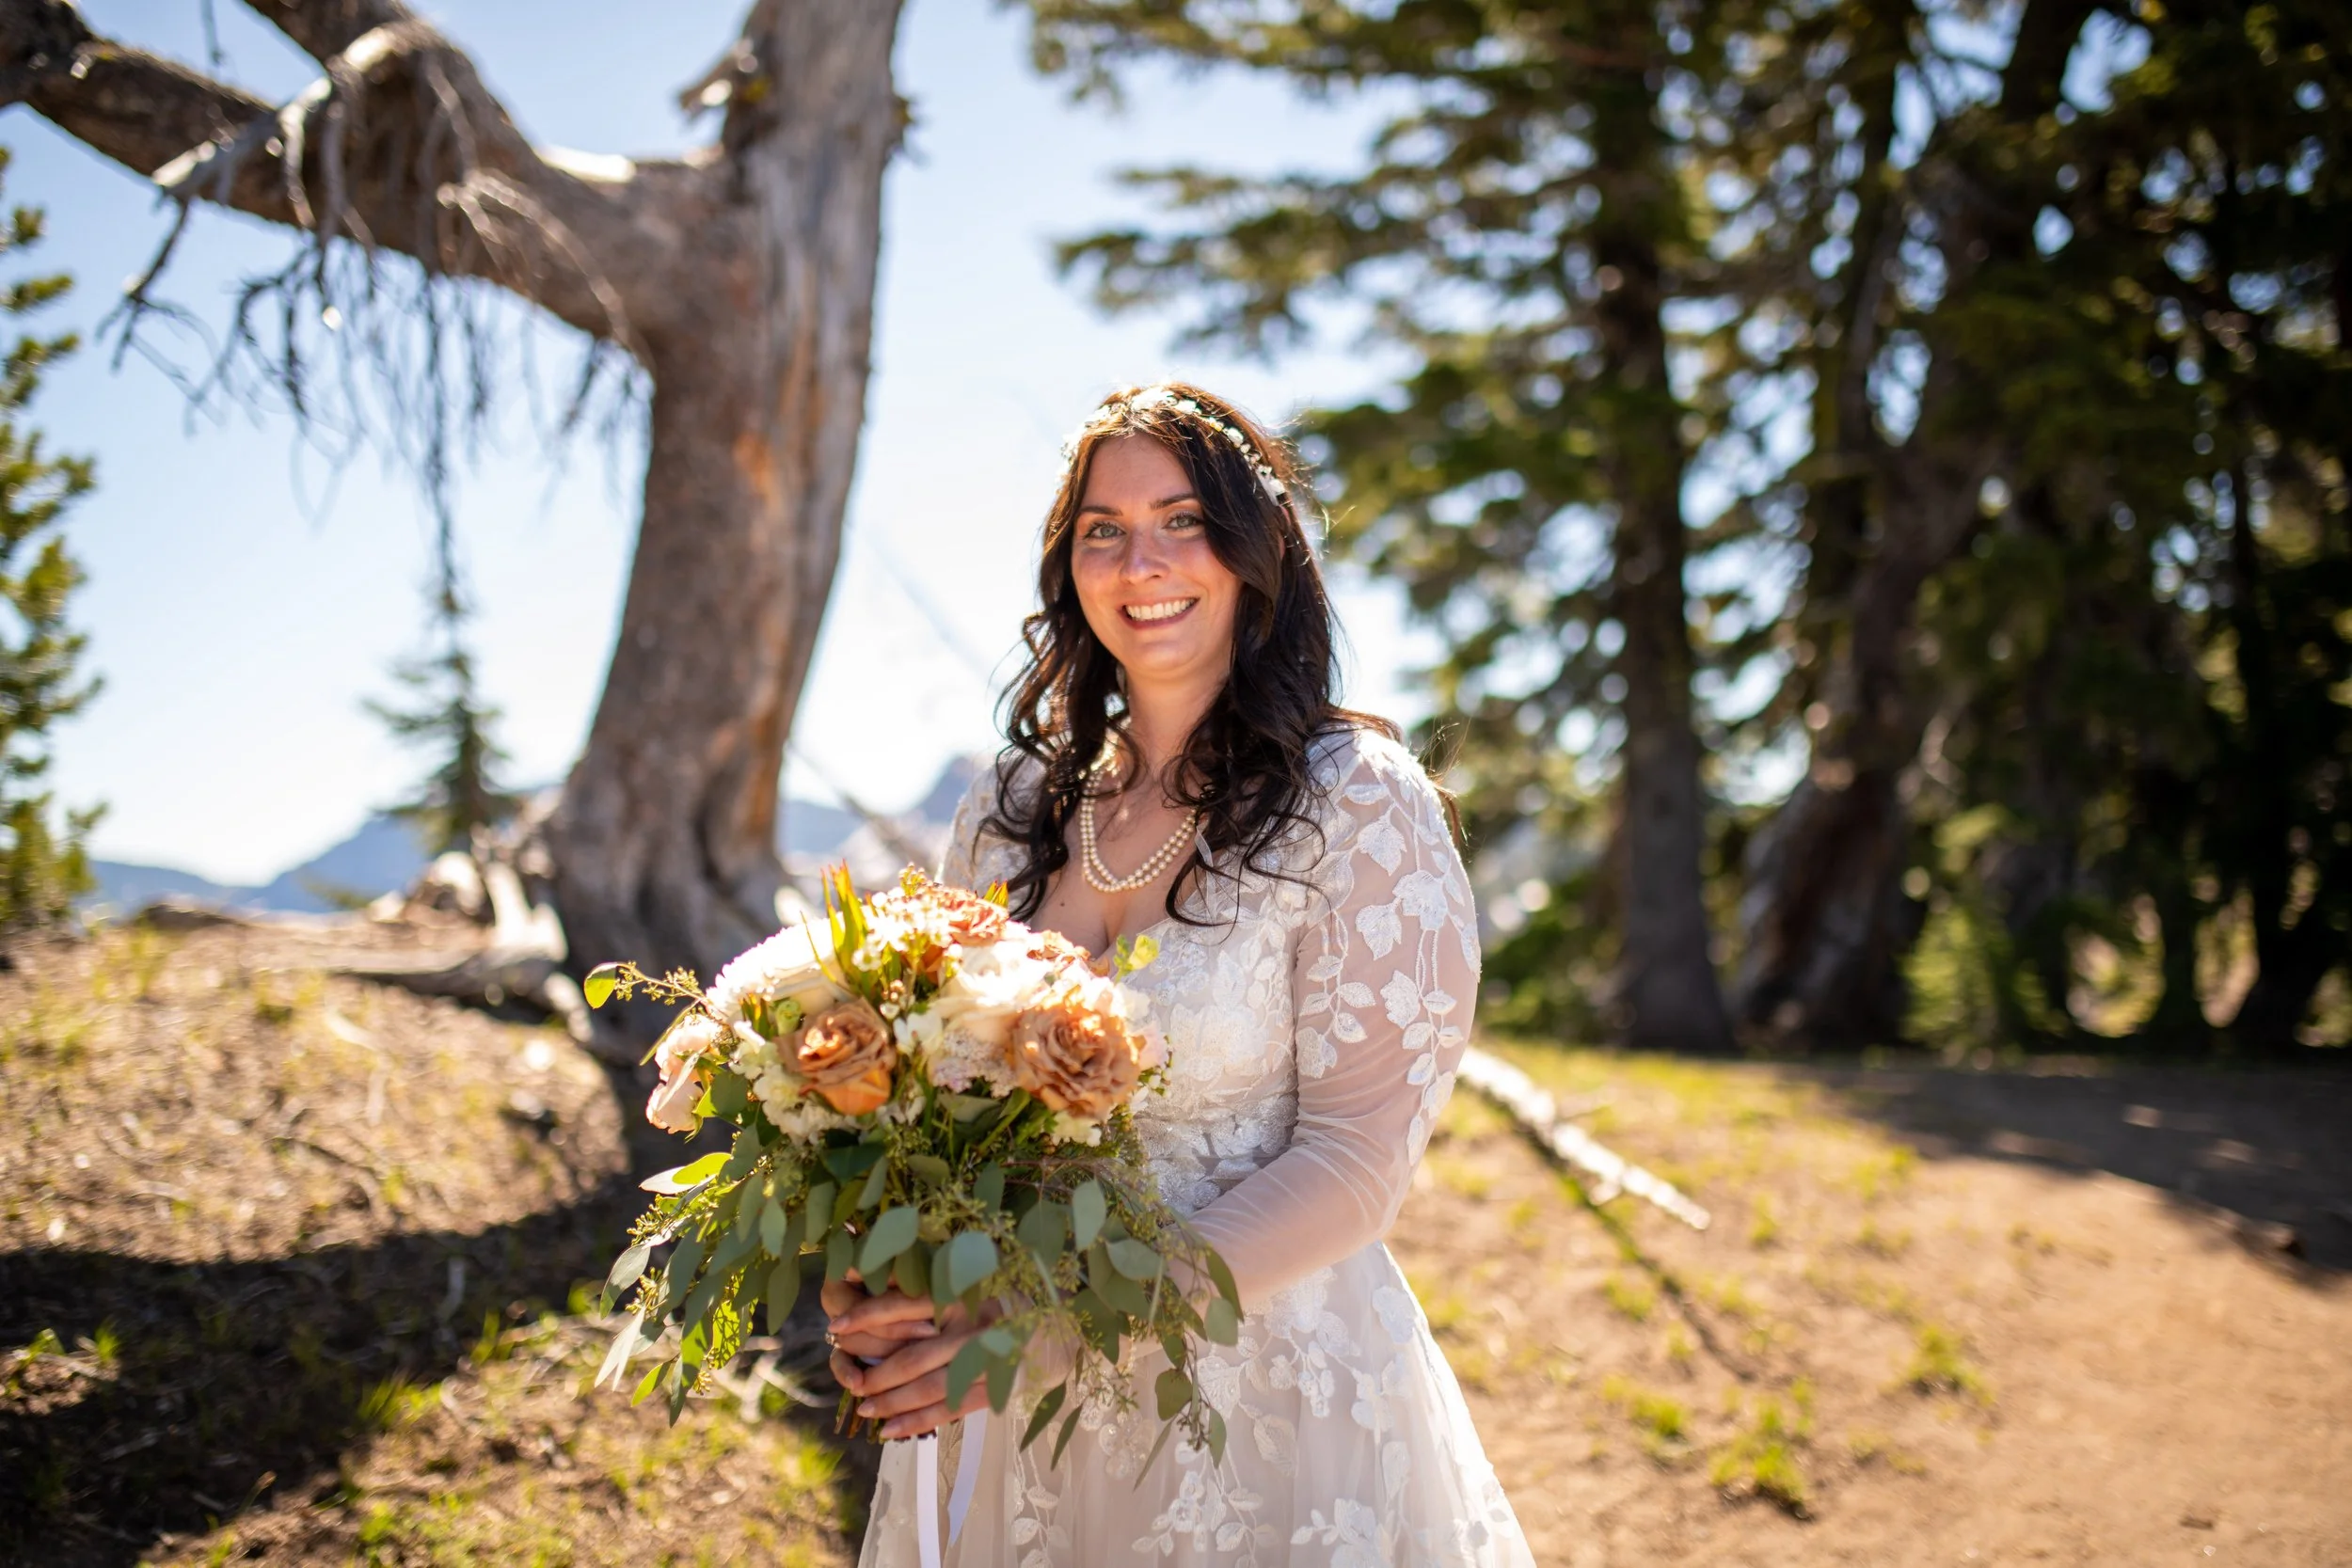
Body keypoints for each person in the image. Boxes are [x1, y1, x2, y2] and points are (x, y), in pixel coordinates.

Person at [822, 383, 1534, 1567]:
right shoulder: (1004, 817)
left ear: (1256, 553)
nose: (1139, 560)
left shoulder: (1353, 801)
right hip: (1005, 1419)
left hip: (1258, 1399)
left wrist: (1041, 1334)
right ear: (1070, 567)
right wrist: (881, 1273)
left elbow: (1356, 1168)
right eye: (1102, 528)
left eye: (1181, 519)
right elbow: (931, 1114)